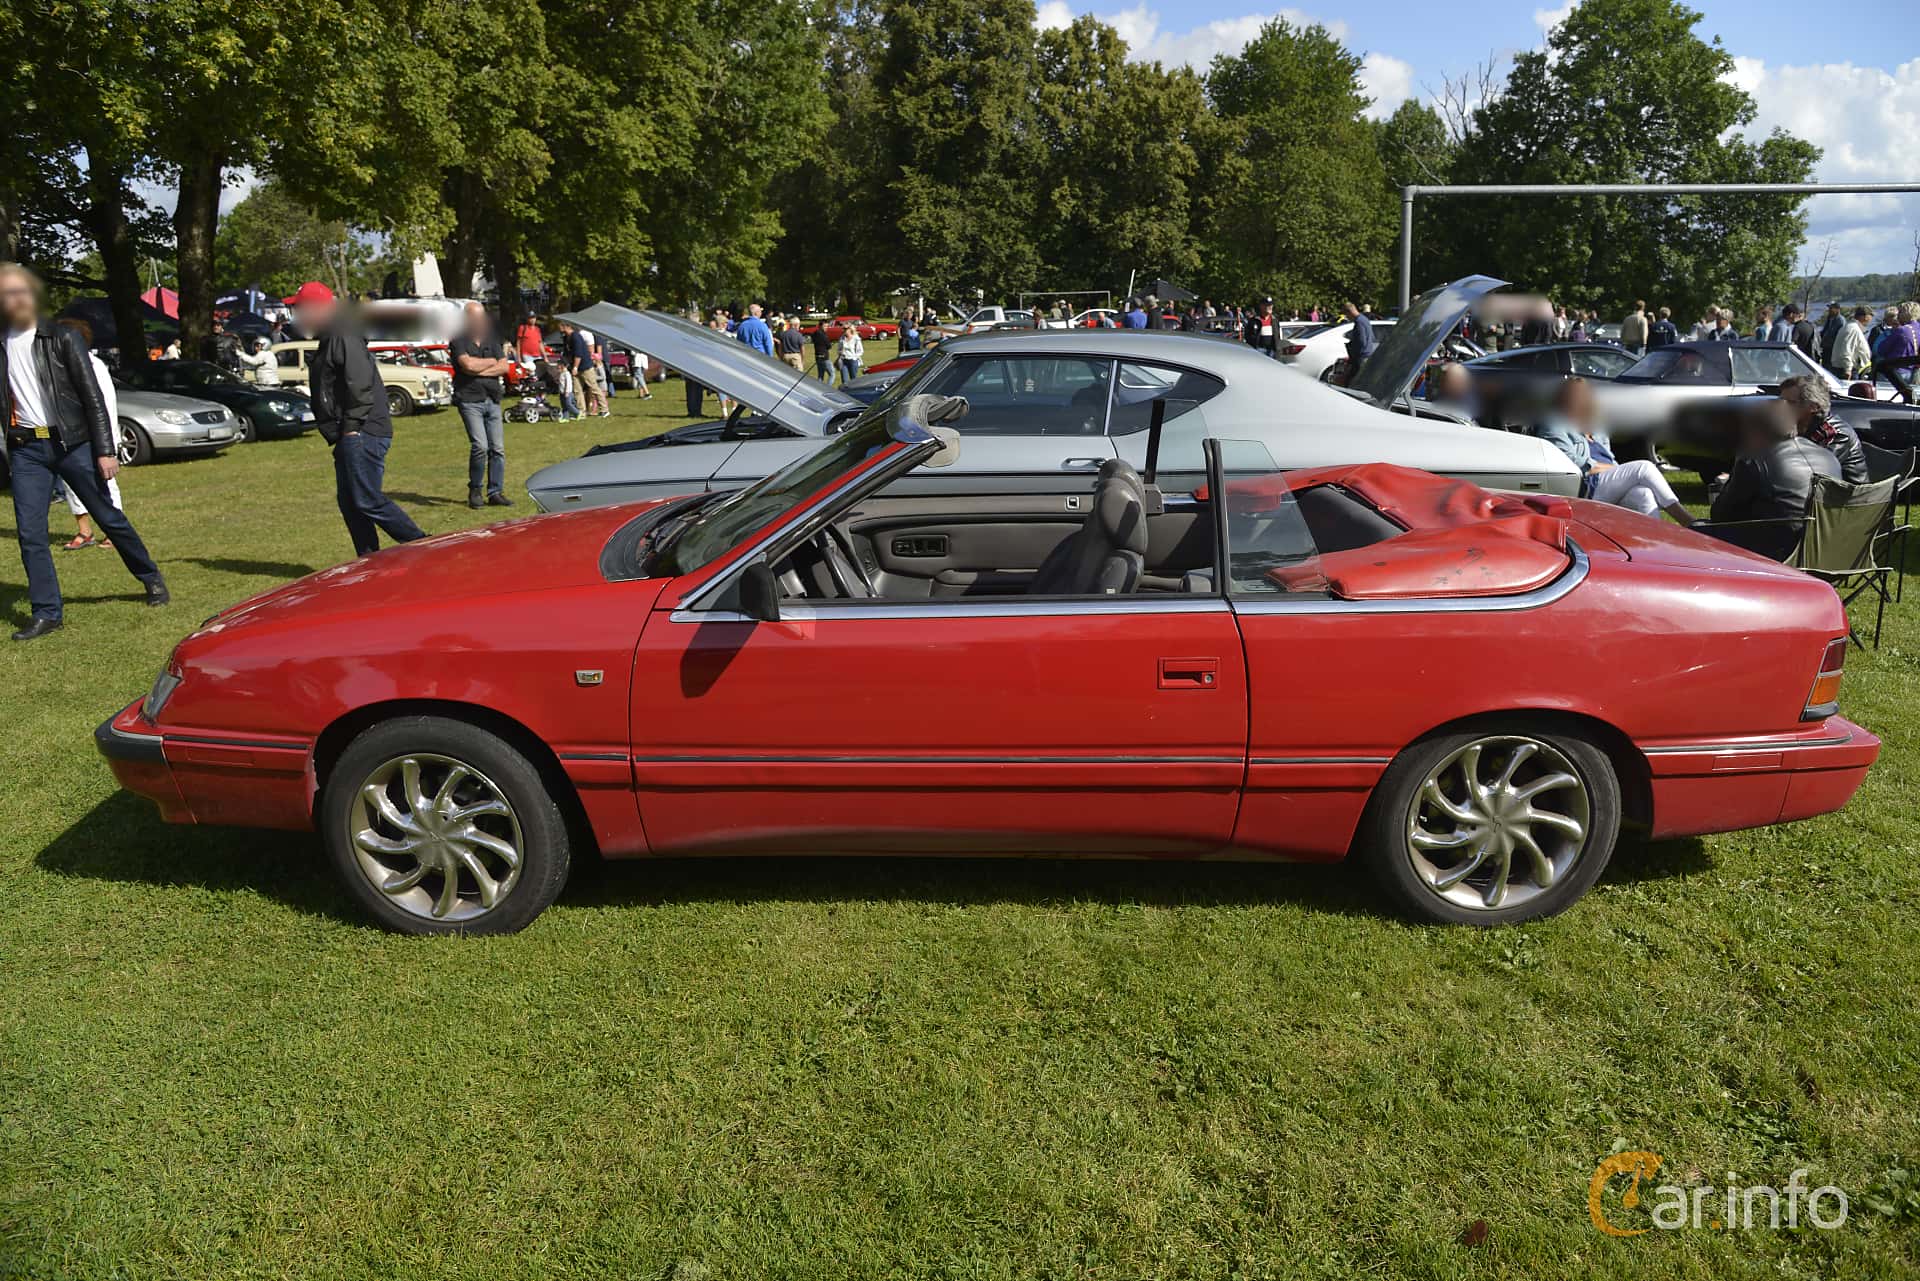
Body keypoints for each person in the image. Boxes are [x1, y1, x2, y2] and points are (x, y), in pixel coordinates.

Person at [1, 262, 168, 639]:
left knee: (108, 517)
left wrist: (105, 450)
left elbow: (92, 396)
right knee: (30, 532)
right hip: (27, 447)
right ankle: (47, 612)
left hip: (72, 442)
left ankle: (150, 577)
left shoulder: (62, 337)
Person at [288, 280, 426, 558]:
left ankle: (425, 546)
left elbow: (359, 381)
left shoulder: (343, 333)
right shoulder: (332, 335)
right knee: (351, 503)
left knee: (366, 499)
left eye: (300, 308)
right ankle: (369, 563)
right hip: (349, 431)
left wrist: (351, 428)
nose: (297, 316)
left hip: (362, 431)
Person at [1532, 377, 1693, 525]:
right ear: (1563, 398)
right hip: (1585, 487)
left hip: (1606, 484)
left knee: (1643, 494)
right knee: (1644, 467)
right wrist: (1616, 470)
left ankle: (1655, 541)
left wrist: (1615, 471)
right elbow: (1572, 465)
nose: (1578, 399)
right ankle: (1687, 521)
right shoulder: (1554, 423)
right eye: (1573, 395)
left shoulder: (1594, 425)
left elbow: (1609, 459)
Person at [1703, 399, 1840, 558]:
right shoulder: (1829, 457)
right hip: (1826, 553)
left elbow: (1721, 515)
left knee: (1696, 531)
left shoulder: (1754, 461)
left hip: (1778, 555)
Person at [52, 317, 125, 551]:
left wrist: (108, 443)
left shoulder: (94, 365)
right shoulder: (59, 366)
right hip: (70, 435)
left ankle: (114, 532)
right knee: (72, 483)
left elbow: (105, 407)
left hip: (97, 436)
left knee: (105, 484)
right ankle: (84, 531)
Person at [450, 301, 513, 509]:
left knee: (498, 449)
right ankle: (475, 490)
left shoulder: (491, 338)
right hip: (470, 400)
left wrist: (478, 368)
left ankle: (495, 492)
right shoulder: (458, 339)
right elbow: (466, 365)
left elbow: (504, 367)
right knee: (480, 446)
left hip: (492, 398)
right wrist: (490, 363)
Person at [1779, 374, 1867, 483]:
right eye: (1781, 401)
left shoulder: (1836, 434)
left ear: (1814, 407)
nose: (1782, 407)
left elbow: (1814, 471)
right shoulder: (1798, 425)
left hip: (1845, 496)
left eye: (1790, 403)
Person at [1872, 302, 1918, 404]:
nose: (1898, 316)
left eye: (1900, 312)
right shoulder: (1918, 329)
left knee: (1885, 401)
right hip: (1911, 373)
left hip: (1893, 374)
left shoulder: (1901, 330)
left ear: (1905, 314)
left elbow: (1881, 350)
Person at [573, 323, 608, 417]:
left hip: (586, 365)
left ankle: (604, 409)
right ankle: (582, 411)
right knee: (578, 390)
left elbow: (591, 351)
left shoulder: (586, 334)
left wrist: (592, 361)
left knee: (593, 387)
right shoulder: (574, 335)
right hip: (578, 365)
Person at [1830, 307, 1873, 382]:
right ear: (1865, 317)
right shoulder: (1853, 329)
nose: (1871, 319)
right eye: (1871, 316)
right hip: (1846, 370)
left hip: (1847, 369)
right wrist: (1848, 370)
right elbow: (1846, 350)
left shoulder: (1851, 327)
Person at [1342, 301, 1375, 382]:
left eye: (1347, 315)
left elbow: (1361, 341)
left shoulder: (1359, 322)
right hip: (1367, 354)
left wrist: (1353, 351)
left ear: (1349, 312)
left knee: (1353, 381)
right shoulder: (1365, 319)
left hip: (1361, 356)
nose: (1348, 318)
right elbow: (1372, 337)